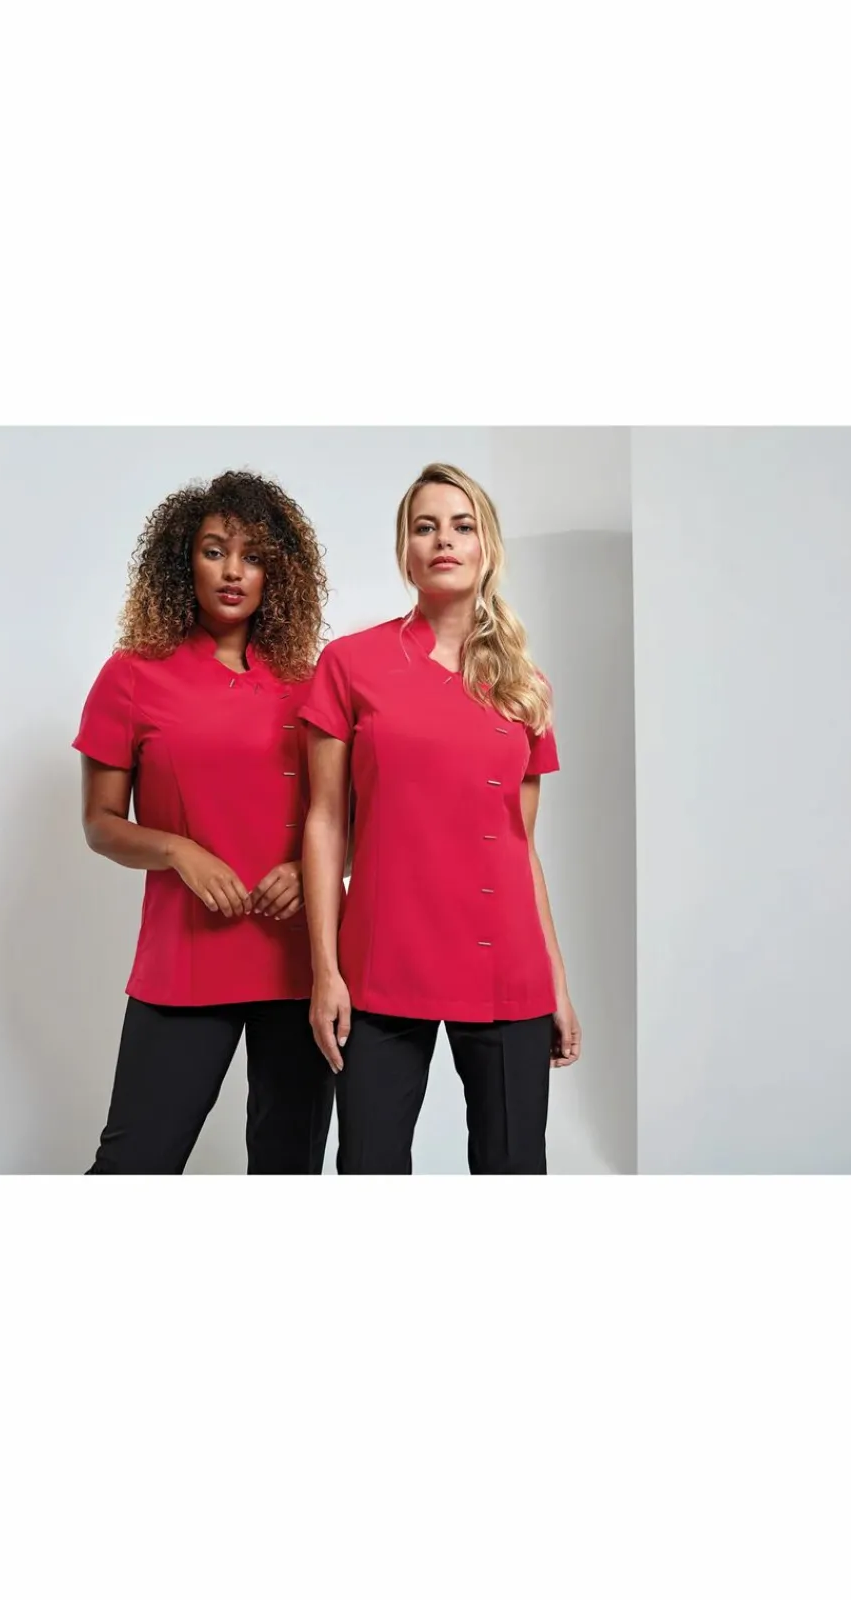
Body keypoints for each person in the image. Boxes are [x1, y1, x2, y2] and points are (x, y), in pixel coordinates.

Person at [299, 462, 581, 1175]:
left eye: (462, 526)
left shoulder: (526, 687)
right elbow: (325, 824)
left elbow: (521, 848)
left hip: (507, 965)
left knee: (514, 1170)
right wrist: (325, 971)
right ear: (406, 550)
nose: (443, 540)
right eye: (425, 527)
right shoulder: (350, 664)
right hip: (381, 965)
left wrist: (555, 979)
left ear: (487, 546)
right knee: (369, 1166)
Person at [75, 470, 334, 1174]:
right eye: (215, 550)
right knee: (134, 1165)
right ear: (182, 561)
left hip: (302, 963)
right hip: (185, 961)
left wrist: (310, 870)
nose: (233, 571)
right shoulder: (131, 676)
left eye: (253, 557)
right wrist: (177, 850)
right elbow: (100, 823)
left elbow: (348, 819)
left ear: (278, 573)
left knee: (289, 1170)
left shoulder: (311, 681)